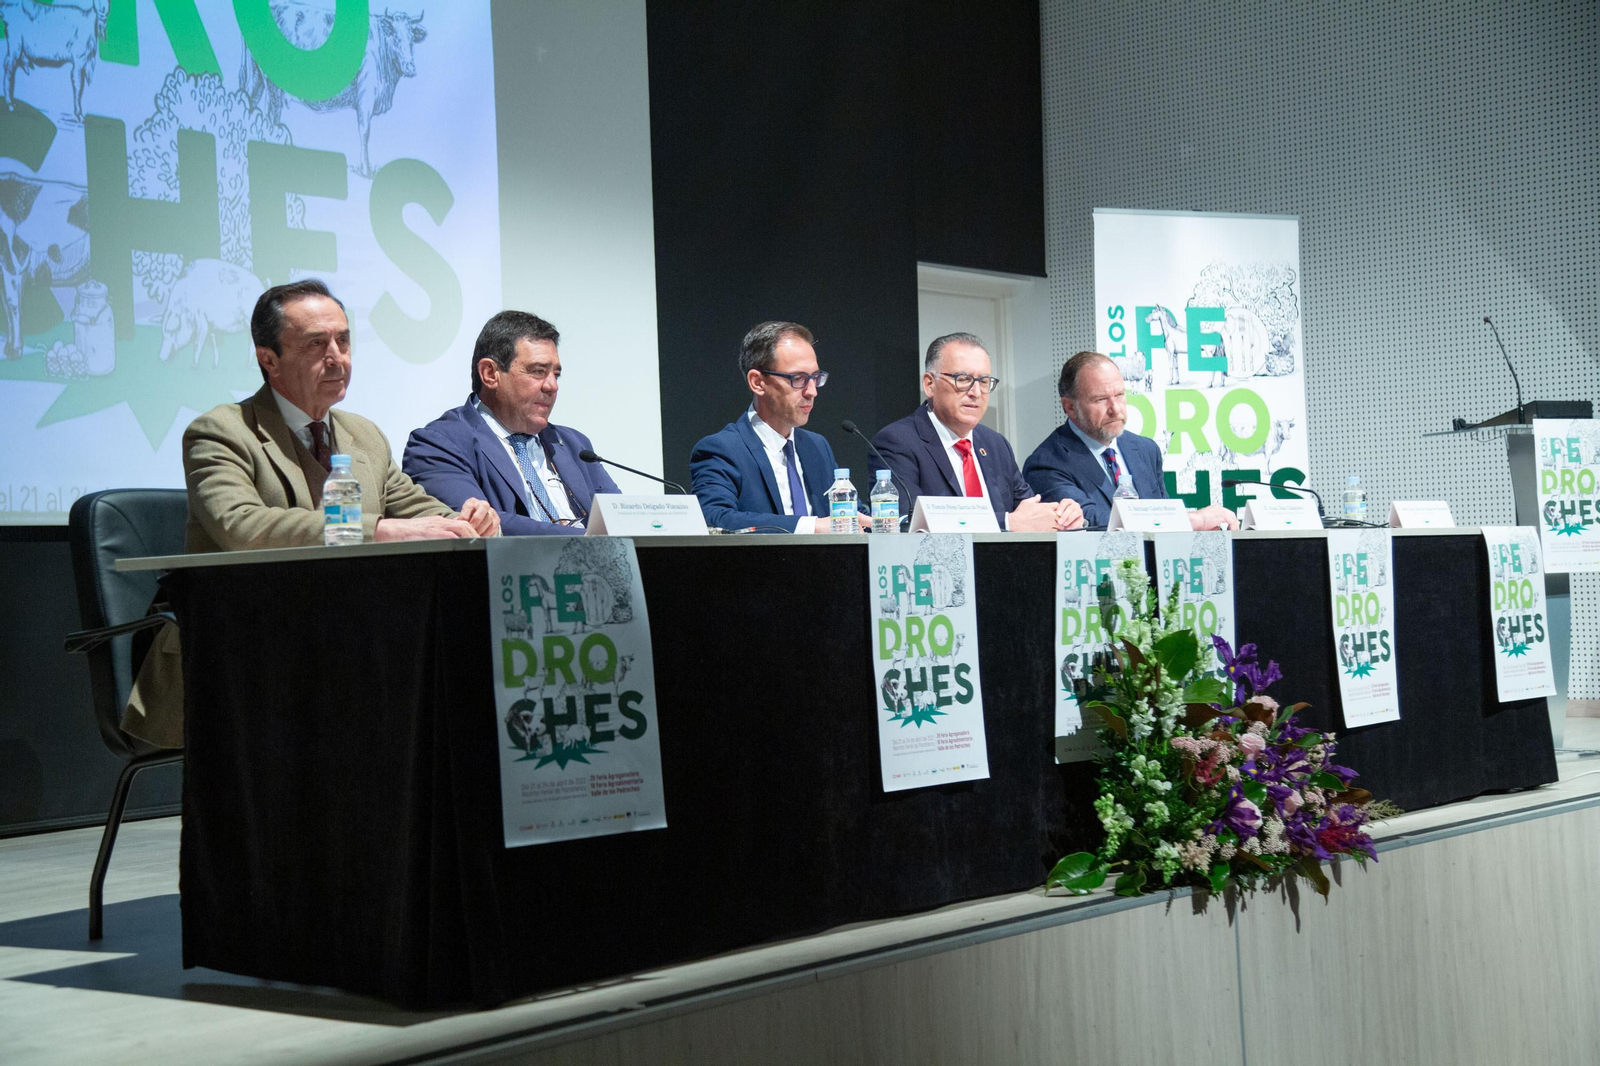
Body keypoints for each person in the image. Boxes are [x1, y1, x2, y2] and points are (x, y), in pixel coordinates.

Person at [122, 279, 498, 749]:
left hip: (354, 643)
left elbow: (420, 511)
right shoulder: (220, 432)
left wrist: (469, 518)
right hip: (243, 650)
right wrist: (377, 531)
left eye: (343, 340)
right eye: (317, 344)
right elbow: (243, 527)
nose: (337, 357)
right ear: (269, 359)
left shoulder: (364, 436)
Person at [403, 311, 620, 534]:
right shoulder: (438, 444)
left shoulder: (574, 444)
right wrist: (587, 539)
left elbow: (618, 520)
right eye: (538, 372)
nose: (552, 386)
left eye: (556, 374)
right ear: (490, 374)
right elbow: (476, 525)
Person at [873, 332, 1082, 531]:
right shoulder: (897, 442)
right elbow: (904, 523)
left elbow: (1029, 513)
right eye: (963, 379)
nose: (975, 393)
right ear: (929, 384)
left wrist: (1062, 515)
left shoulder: (996, 444)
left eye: (984, 382)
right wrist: (1006, 522)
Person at [689, 321, 869, 533]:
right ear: (757, 382)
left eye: (815, 378)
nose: (812, 391)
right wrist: (812, 526)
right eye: (799, 378)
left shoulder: (817, 446)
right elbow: (715, 517)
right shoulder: (721, 449)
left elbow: (851, 512)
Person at [1023, 351, 1234, 530]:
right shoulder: (1047, 464)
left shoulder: (1145, 450)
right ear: (1070, 407)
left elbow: (1165, 519)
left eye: (1120, 395)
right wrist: (1192, 521)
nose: (1115, 409)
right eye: (1101, 399)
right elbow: (1092, 522)